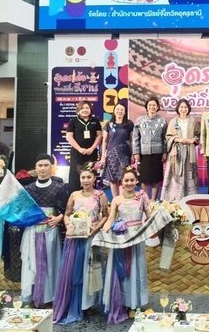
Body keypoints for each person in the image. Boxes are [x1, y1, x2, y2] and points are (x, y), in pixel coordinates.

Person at [0, 153, 68, 308]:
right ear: (35, 168)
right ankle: (33, 297)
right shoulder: (28, 189)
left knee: (51, 264)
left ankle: (51, 298)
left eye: (46, 165)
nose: (43, 168)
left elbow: (67, 209)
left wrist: (59, 218)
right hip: (31, 232)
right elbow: (11, 209)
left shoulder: (59, 188)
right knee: (31, 265)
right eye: (40, 165)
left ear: (52, 168)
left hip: (50, 232)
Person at [53, 166, 109, 324]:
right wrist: (68, 225)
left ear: (94, 179)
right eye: (83, 177)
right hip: (75, 238)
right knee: (75, 272)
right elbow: (67, 214)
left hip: (91, 238)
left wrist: (95, 229)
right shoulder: (74, 195)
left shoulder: (100, 195)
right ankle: (75, 303)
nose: (86, 180)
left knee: (89, 270)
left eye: (89, 177)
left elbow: (105, 215)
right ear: (80, 179)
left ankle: (88, 304)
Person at [101, 168, 152, 324]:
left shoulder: (142, 196)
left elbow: (149, 216)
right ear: (121, 183)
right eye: (126, 180)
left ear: (136, 181)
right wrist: (104, 232)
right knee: (120, 270)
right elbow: (111, 218)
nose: (129, 183)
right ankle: (121, 302)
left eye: (131, 180)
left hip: (136, 238)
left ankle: (134, 304)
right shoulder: (116, 199)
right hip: (120, 238)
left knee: (136, 270)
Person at [162, 98, 200, 201]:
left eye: (185, 107)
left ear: (188, 109)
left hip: (189, 152)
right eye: (181, 107)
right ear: (178, 109)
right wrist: (177, 139)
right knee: (175, 174)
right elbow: (168, 137)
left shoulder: (193, 121)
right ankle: (174, 198)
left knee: (190, 174)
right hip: (176, 153)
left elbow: (197, 135)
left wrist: (192, 140)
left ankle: (190, 198)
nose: (183, 109)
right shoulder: (173, 121)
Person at [133, 97, 167, 201]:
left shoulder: (162, 121)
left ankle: (153, 200)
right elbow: (135, 137)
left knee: (156, 179)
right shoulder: (139, 120)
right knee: (144, 179)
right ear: (146, 107)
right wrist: (136, 152)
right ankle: (145, 200)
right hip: (144, 154)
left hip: (158, 153)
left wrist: (165, 152)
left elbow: (165, 138)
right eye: (150, 105)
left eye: (154, 105)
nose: (152, 107)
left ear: (157, 107)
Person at [66, 101, 103, 194]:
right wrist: (79, 149)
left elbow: (99, 136)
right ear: (78, 110)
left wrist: (92, 148)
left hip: (91, 153)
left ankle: (91, 196)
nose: (85, 110)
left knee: (91, 174)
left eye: (87, 108)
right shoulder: (73, 121)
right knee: (75, 176)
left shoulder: (95, 121)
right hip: (77, 153)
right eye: (82, 108)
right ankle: (74, 197)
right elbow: (69, 137)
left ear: (90, 110)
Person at [100, 102, 134, 198]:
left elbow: (132, 140)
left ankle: (123, 199)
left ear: (125, 112)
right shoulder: (108, 124)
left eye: (122, 109)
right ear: (114, 111)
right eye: (117, 109)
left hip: (125, 154)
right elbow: (105, 141)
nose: (120, 111)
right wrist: (103, 157)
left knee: (124, 177)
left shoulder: (129, 124)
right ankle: (115, 200)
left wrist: (133, 154)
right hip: (111, 155)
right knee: (113, 178)